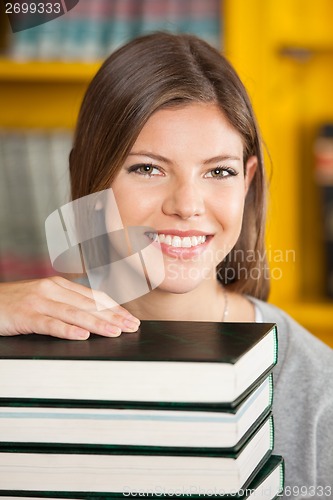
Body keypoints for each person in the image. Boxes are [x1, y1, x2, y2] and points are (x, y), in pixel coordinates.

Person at [0, 32, 332, 497]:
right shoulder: (16, 344)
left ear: (247, 180)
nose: (187, 205)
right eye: (148, 168)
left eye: (218, 171)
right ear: (87, 177)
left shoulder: (319, 393)